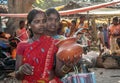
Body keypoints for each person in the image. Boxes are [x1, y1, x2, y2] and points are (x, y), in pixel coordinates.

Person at [15, 9, 62, 83]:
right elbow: (17, 76)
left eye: (44, 21)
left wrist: (68, 65)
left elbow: (59, 73)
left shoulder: (56, 43)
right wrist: (21, 70)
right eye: (37, 21)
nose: (41, 24)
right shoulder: (22, 46)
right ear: (29, 25)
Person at [45, 8, 82, 78]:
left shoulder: (63, 41)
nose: (53, 22)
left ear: (59, 23)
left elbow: (60, 73)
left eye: (56, 20)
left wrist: (67, 66)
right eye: (50, 19)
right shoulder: (36, 40)